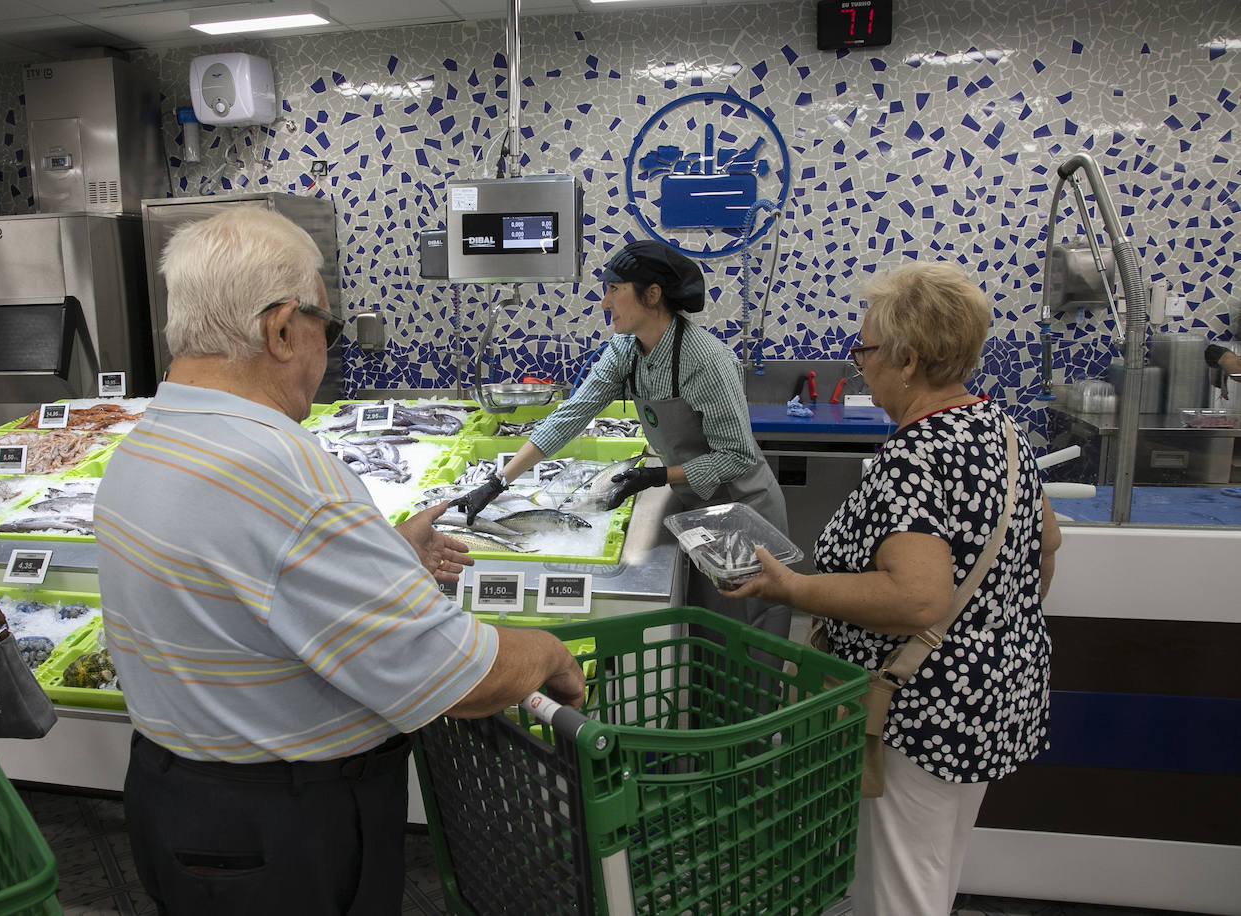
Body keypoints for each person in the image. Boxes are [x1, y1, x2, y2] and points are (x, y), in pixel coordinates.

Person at [93, 208, 585, 916]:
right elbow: (456, 678)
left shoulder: (149, 440)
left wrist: (385, 558)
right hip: (281, 829)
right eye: (326, 324)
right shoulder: (278, 470)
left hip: (174, 801)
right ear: (281, 329)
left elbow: (252, 591)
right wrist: (549, 655)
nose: (328, 347)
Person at [723, 260, 1061, 916]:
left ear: (907, 359)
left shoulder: (913, 457)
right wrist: (988, 636)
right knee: (934, 867)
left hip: (920, 712)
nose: (857, 364)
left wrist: (792, 589)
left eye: (865, 348)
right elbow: (1045, 546)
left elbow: (918, 599)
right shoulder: (1000, 431)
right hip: (995, 695)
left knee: (904, 891)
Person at [453, 239, 791, 637]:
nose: (604, 303)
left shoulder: (707, 361)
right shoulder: (626, 350)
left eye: (614, 290)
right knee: (711, 627)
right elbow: (572, 415)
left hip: (743, 509)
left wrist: (659, 476)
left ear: (651, 295)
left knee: (753, 631)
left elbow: (736, 456)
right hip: (698, 510)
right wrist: (498, 481)